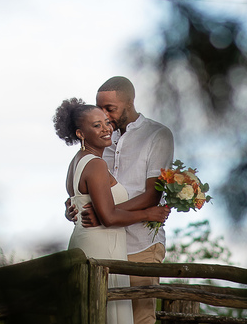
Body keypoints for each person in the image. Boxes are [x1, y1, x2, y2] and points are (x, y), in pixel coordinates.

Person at [67, 77, 175, 324]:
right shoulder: (102, 134)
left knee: (139, 318)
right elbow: (83, 184)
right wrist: (76, 205)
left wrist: (104, 211)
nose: (104, 115)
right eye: (99, 108)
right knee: (98, 315)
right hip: (103, 244)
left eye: (110, 109)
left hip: (139, 244)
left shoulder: (157, 135)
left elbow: (151, 195)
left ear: (130, 102)